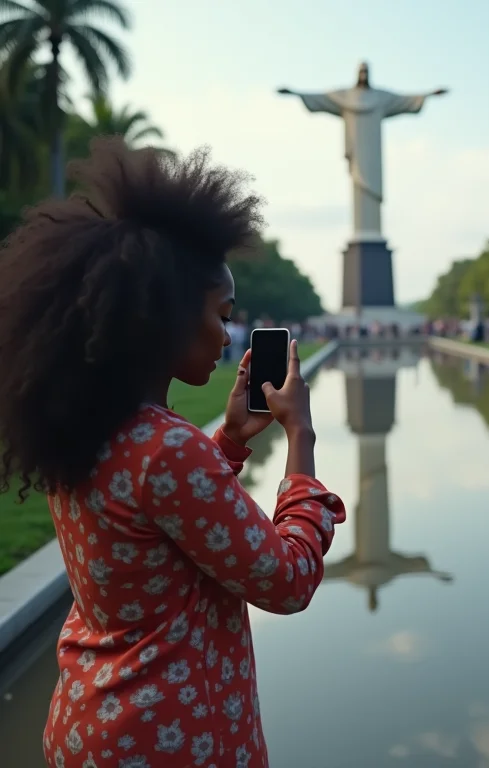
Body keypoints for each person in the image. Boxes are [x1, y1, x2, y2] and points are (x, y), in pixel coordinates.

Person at [0, 139, 346, 768]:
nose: (225, 334)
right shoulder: (166, 450)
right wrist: (301, 439)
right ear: (166, 315)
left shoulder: (96, 431)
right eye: (221, 313)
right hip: (172, 735)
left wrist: (232, 443)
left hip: (88, 722)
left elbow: (150, 523)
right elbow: (287, 580)